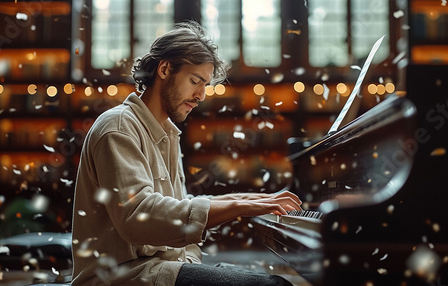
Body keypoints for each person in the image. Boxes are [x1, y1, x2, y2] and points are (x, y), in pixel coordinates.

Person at [71, 21, 302, 286]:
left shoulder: (167, 132)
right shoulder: (119, 128)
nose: (201, 95)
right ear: (165, 68)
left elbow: (178, 204)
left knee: (259, 276)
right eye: (195, 81)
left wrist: (249, 199)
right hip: (122, 278)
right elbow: (137, 217)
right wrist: (240, 206)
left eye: (205, 84)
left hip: (159, 269)